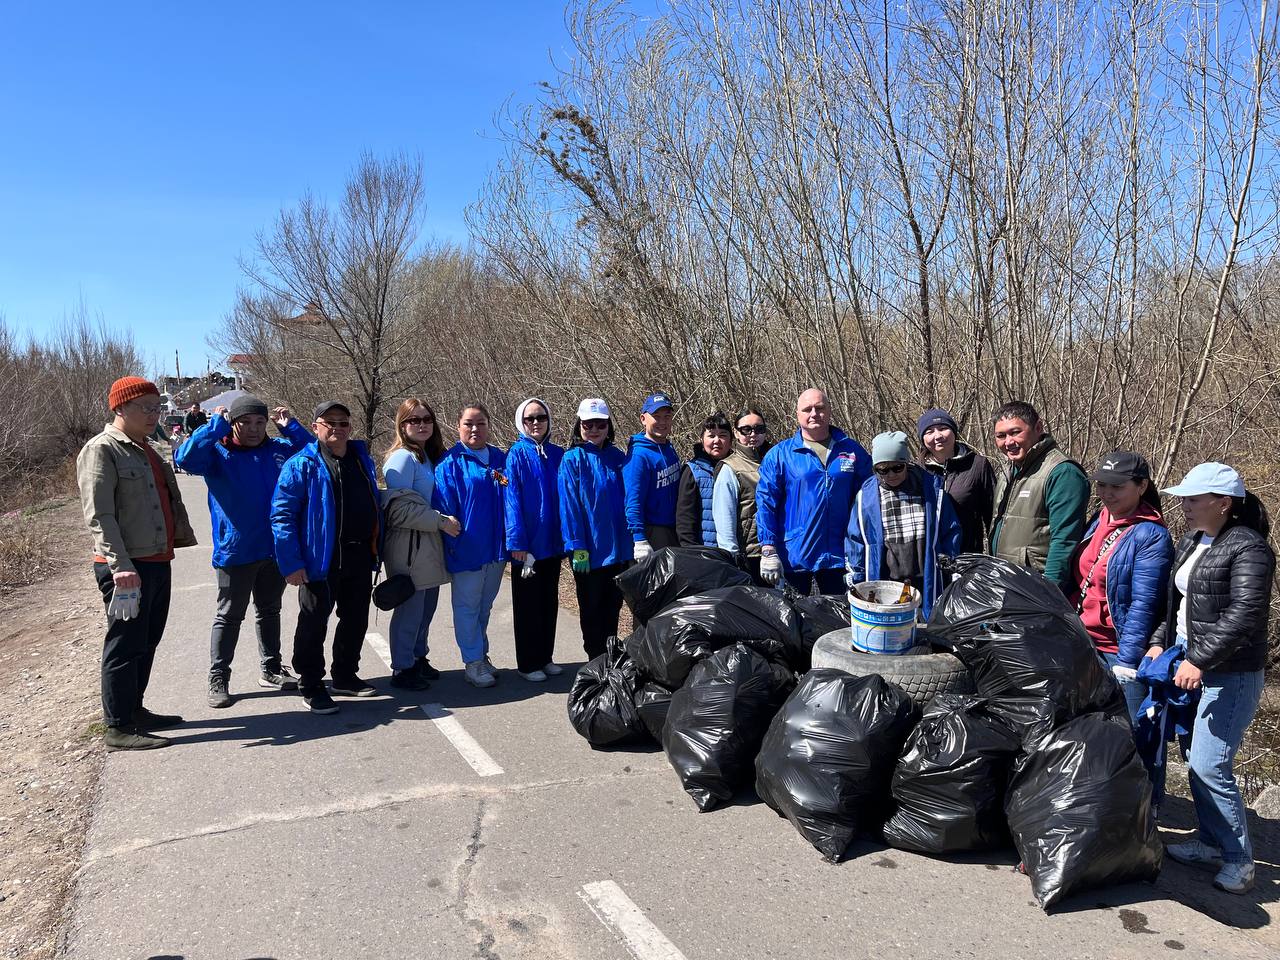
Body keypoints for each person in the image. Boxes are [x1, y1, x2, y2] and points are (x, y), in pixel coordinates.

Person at [1153, 463, 1274, 895]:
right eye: (1183, 498)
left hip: (1231, 672)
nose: (1183, 506)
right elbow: (1175, 602)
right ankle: (1208, 842)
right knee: (1194, 757)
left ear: (1223, 503)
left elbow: (1245, 615)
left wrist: (1200, 660)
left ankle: (1240, 860)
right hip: (1188, 661)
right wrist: (1158, 643)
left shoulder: (1250, 548)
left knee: (1210, 763)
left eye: (1193, 499)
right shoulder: (1192, 540)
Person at [76, 376, 198, 750]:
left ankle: (135, 710)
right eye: (145, 408)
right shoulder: (102, 450)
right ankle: (118, 727)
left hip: (156, 559)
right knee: (125, 644)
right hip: (128, 566)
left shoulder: (145, 448)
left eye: (156, 408)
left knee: (147, 641)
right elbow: (99, 516)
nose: (153, 414)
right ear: (120, 407)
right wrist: (120, 565)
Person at [175, 395, 312, 708]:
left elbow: (313, 455)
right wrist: (214, 426)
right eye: (245, 422)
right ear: (232, 423)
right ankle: (218, 676)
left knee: (270, 610)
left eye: (259, 422)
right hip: (236, 550)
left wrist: (291, 428)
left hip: (274, 548)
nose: (253, 428)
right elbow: (184, 458)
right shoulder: (217, 453)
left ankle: (271, 668)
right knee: (229, 615)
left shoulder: (278, 450)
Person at [271, 400, 381, 714]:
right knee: (314, 622)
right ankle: (311, 683)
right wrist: (291, 563)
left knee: (355, 619)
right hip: (320, 559)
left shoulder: (361, 459)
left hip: (359, 554)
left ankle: (345, 675)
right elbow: (282, 516)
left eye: (343, 422)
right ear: (316, 427)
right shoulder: (302, 464)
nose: (337, 428)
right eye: (329, 422)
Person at [1067, 451, 1173, 723]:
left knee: (1130, 732)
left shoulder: (1150, 534)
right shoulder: (1099, 518)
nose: (1107, 493)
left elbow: (1143, 604)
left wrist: (1127, 662)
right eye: (1102, 485)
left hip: (1117, 650)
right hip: (1084, 641)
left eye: (1117, 486)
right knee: (1089, 730)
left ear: (1142, 486)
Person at [755, 388, 871, 595]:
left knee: (838, 613)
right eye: (807, 409)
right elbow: (766, 504)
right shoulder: (780, 455)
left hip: (840, 555)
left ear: (829, 411)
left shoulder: (852, 451)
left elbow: (868, 497)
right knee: (795, 612)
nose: (814, 414)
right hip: (794, 556)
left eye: (820, 408)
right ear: (797, 414)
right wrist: (768, 548)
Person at [382, 399, 458, 691]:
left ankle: (417, 657)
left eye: (427, 419)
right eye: (414, 420)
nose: (422, 424)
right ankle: (402, 668)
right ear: (402, 425)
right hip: (409, 545)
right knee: (410, 610)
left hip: (429, 542)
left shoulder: (426, 456)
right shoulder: (401, 459)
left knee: (426, 609)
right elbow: (398, 511)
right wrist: (441, 521)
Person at [845, 431, 962, 618]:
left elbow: (951, 531)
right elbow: (855, 541)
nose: (891, 474)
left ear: (907, 463)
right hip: (886, 582)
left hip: (927, 579)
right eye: (883, 470)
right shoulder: (866, 498)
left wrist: (950, 566)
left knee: (929, 628)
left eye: (897, 467)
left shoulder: (931, 491)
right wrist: (856, 576)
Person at [433, 403, 508, 688]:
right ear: (458, 426)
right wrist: (456, 541)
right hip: (467, 549)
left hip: (496, 550)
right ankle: (472, 662)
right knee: (467, 607)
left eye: (480, 423)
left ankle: (481, 654)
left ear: (488, 425)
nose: (474, 429)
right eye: (468, 424)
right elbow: (445, 509)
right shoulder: (450, 463)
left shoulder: (500, 459)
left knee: (484, 606)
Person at [989, 400, 1089, 591]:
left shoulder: (1062, 472)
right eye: (1001, 436)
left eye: (1015, 432)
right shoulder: (1009, 471)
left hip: (1037, 588)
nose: (1008, 442)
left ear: (1038, 428)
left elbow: (1064, 541)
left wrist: (1049, 591)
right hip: (1008, 583)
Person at [559, 398, 632, 659]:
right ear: (579, 425)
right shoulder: (572, 459)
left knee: (613, 609)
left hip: (619, 551)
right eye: (587, 424)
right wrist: (577, 546)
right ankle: (595, 662)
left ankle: (610, 660)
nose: (593, 430)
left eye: (600, 424)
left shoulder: (618, 458)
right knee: (592, 611)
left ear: (608, 426)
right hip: (589, 554)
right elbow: (569, 507)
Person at [505, 398, 566, 682]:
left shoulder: (557, 454)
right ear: (522, 422)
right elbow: (511, 499)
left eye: (541, 417)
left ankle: (545, 657)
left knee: (548, 602)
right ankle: (528, 663)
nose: (536, 423)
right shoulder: (516, 454)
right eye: (529, 418)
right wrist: (517, 542)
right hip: (528, 547)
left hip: (552, 543)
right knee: (527, 605)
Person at [917, 408, 994, 554]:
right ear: (922, 439)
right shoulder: (917, 472)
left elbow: (993, 516)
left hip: (968, 556)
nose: (937, 436)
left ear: (954, 431)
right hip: (930, 558)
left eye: (943, 428)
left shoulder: (977, 465)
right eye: (929, 432)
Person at [713, 407, 773, 582]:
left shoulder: (776, 461)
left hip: (778, 552)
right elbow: (724, 516)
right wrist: (732, 558)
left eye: (759, 429)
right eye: (746, 430)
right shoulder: (730, 468)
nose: (753, 434)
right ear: (736, 432)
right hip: (748, 555)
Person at [623, 391, 682, 561]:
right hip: (652, 530)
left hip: (672, 528)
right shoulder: (638, 456)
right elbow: (633, 500)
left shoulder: (669, 448)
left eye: (667, 416)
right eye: (656, 416)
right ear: (643, 419)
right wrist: (639, 538)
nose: (662, 422)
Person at [676, 413, 732, 547]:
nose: (717, 441)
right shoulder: (692, 470)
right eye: (711, 436)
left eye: (723, 435)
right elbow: (684, 519)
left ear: (731, 440)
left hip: (736, 551)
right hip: (705, 550)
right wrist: (692, 551)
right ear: (701, 439)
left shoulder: (738, 469)